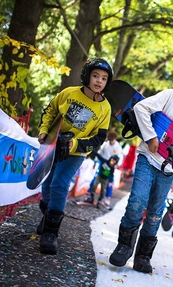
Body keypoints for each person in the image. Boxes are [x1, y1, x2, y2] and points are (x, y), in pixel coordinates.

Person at [109, 62, 173, 273]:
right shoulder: (169, 96)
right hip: (148, 157)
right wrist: (150, 136)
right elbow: (140, 107)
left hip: (169, 168)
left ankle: (143, 257)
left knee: (155, 211)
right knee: (137, 201)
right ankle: (123, 247)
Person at [35, 57, 113, 255]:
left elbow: (99, 138)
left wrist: (75, 143)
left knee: (60, 184)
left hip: (76, 151)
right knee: (47, 185)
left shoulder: (105, 108)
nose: (99, 81)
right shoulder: (69, 93)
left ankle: (51, 234)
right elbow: (50, 110)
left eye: (104, 78)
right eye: (95, 76)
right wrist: (44, 130)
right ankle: (47, 216)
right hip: (54, 145)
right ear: (87, 76)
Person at [85, 130, 123, 207]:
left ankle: (107, 197)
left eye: (112, 140)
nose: (111, 141)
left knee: (109, 182)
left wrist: (117, 164)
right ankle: (90, 194)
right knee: (96, 178)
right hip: (103, 162)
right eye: (109, 140)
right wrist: (95, 161)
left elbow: (120, 157)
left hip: (111, 165)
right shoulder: (105, 144)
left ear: (115, 139)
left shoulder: (117, 147)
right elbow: (99, 153)